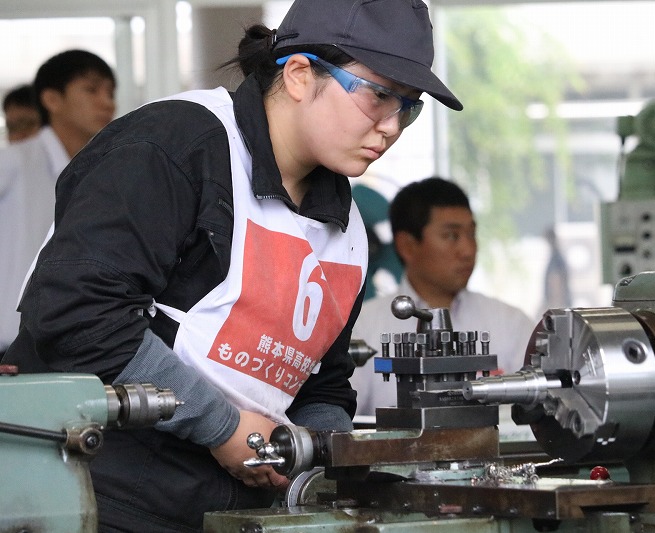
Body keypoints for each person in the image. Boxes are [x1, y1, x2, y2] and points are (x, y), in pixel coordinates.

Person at [2, 1, 462, 531]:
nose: (392, 126)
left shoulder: (344, 232)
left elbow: (324, 382)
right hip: (92, 496)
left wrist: (310, 451)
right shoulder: (175, 147)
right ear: (299, 74)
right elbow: (78, 312)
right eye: (378, 95)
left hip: (229, 513)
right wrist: (222, 427)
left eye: (409, 107)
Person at [350, 177, 535, 416]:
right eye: (451, 236)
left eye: (472, 234)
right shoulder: (363, 329)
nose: (468, 250)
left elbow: (539, 408)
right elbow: (345, 420)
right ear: (407, 246)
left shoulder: (510, 324)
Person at [0, 50, 116, 356]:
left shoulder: (104, 168)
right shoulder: (14, 161)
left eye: (110, 92)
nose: (107, 102)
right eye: (92, 90)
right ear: (52, 99)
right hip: (9, 343)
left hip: (69, 341)